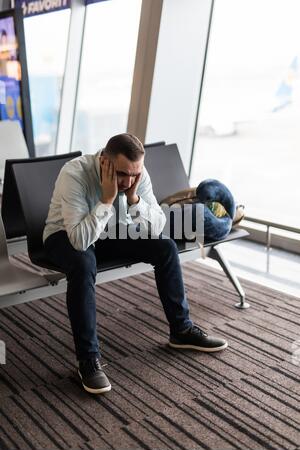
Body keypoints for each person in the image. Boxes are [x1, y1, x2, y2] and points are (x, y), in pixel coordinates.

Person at [43, 133, 228, 395]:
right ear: (104, 161)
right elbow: (80, 239)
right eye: (121, 174)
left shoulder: (136, 174)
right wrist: (107, 199)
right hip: (65, 235)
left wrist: (134, 200)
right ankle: (88, 360)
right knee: (83, 264)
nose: (128, 181)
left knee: (165, 247)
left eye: (134, 174)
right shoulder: (75, 173)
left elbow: (157, 227)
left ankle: (181, 330)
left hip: (111, 230)